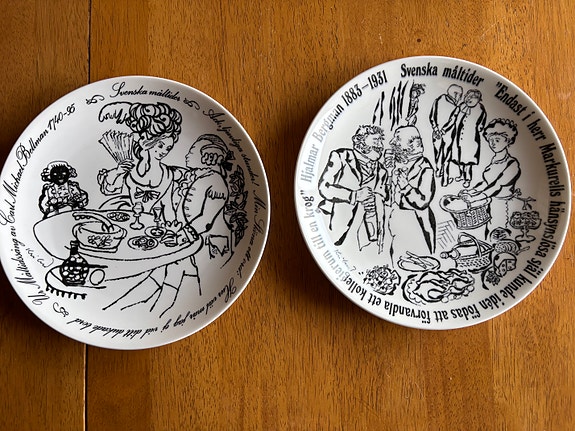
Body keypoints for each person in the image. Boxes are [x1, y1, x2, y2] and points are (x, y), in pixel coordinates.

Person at [97, 102, 183, 220]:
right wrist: (117, 172)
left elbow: (167, 205)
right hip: (125, 214)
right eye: (160, 146)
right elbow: (108, 190)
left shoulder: (168, 175)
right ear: (146, 142)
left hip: (149, 220)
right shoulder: (130, 165)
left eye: (168, 148)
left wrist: (172, 225)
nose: (164, 151)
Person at [318, 125, 388, 252]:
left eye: (381, 141)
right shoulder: (341, 157)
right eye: (375, 140)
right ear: (360, 141)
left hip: (366, 235)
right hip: (336, 226)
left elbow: (383, 200)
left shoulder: (382, 171)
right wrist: (353, 195)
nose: (380, 146)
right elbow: (324, 187)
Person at [386, 126, 436, 262]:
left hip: (417, 220)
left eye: (397, 139)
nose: (392, 142)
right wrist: (388, 173)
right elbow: (388, 195)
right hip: (397, 220)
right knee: (398, 257)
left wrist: (406, 188)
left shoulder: (425, 168)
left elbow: (423, 202)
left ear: (412, 145)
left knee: (422, 259)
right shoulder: (397, 163)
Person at [442, 89, 487, 187]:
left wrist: (480, 128)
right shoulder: (461, 106)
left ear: (478, 100)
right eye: (468, 97)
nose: (469, 99)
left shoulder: (480, 109)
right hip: (457, 138)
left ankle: (467, 179)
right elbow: (452, 119)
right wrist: (445, 128)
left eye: (473, 98)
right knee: (459, 159)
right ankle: (462, 175)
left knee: (467, 161)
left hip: (471, 140)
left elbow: (482, 123)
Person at [429, 84, 463, 186]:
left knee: (438, 152)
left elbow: (432, 117)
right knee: (445, 155)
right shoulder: (455, 107)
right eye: (460, 95)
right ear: (455, 94)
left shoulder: (438, 100)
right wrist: (442, 130)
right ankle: (443, 176)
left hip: (438, 132)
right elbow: (452, 120)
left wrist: (436, 129)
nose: (460, 97)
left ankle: (439, 171)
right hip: (447, 133)